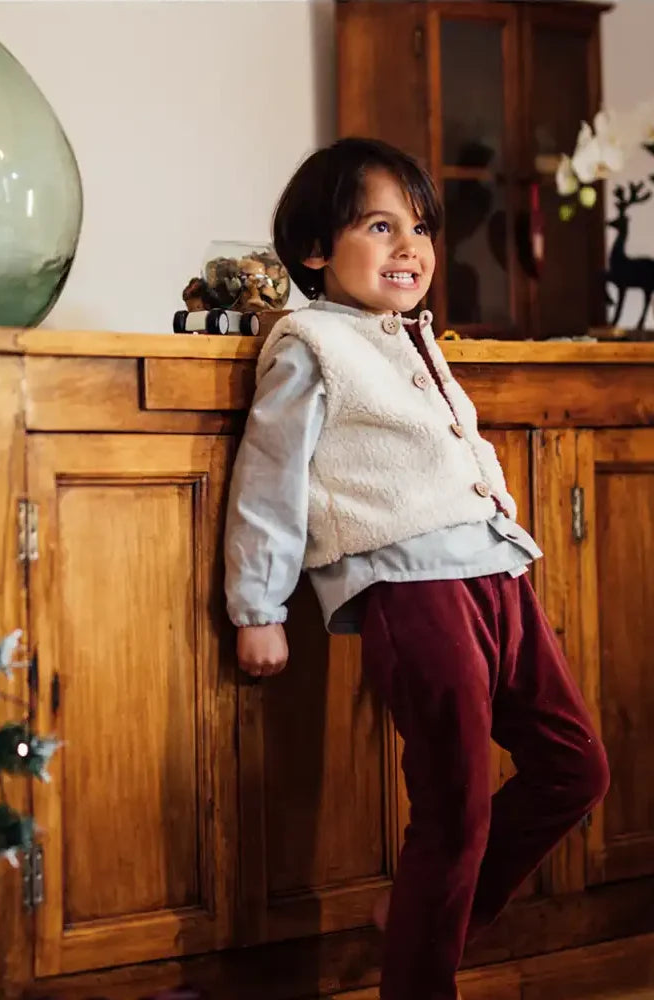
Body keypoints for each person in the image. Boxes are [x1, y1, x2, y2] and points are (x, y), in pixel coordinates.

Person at [223, 137, 609, 1000]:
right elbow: (269, 480)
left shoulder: (414, 336)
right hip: (414, 591)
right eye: (379, 226)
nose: (411, 247)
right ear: (315, 249)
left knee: (576, 768)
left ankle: (423, 914)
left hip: (500, 576)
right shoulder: (308, 343)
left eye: (421, 228)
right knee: (454, 812)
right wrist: (258, 609)